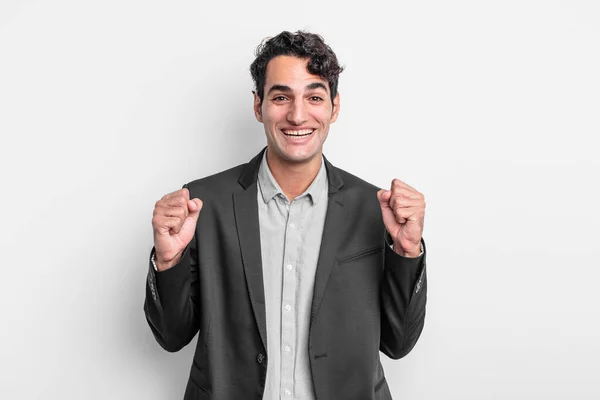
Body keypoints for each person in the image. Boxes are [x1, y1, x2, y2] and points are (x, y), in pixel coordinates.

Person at [144, 30, 427, 400]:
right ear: (258, 105)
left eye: (314, 97)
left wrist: (407, 254)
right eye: (281, 97)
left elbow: (398, 343)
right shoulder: (202, 204)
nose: (297, 115)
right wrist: (169, 260)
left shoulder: (376, 208)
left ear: (334, 107)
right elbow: (171, 335)